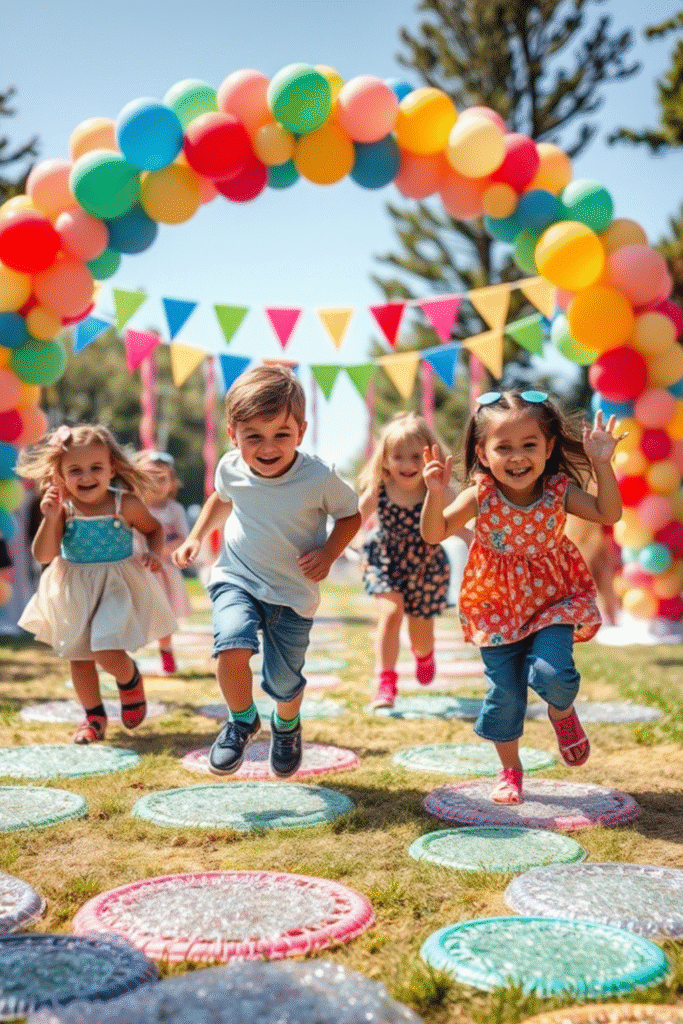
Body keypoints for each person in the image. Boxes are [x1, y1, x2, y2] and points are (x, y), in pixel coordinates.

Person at [421, 390, 624, 804]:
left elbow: (608, 513)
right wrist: (435, 492)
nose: (517, 457)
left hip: (553, 599)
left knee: (553, 676)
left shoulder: (558, 490)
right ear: (483, 452)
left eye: (529, 445)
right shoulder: (481, 494)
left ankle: (562, 713)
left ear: (549, 448)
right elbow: (434, 533)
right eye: (504, 447)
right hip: (496, 606)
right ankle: (510, 770)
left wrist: (602, 464)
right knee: (506, 694)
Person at [173, 364, 361, 779]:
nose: (268, 447)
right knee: (230, 646)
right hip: (236, 577)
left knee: (285, 682)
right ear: (233, 433)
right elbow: (221, 499)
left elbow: (350, 516)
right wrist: (196, 537)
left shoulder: (319, 476)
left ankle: (286, 724)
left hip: (293, 593)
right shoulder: (230, 467)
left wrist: (329, 553)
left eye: (281, 434)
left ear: (302, 430)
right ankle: (240, 720)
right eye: (253, 436)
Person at [16, 424, 177, 744]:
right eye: (75, 470)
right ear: (60, 474)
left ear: (112, 468)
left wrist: (155, 554)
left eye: (95, 468)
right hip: (74, 588)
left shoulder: (125, 503)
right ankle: (94, 718)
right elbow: (44, 554)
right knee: (79, 656)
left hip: (116, 585)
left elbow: (154, 529)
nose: (86, 477)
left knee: (105, 648)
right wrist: (50, 518)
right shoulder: (63, 509)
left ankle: (130, 680)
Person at [357, 412, 452, 709]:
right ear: (384, 460)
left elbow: (462, 522)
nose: (408, 465)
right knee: (390, 611)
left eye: (416, 456)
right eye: (398, 457)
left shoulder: (436, 491)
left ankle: (424, 653)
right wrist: (337, 548)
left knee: (420, 633)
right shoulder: (379, 490)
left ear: (431, 455)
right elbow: (352, 521)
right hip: (385, 559)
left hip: (427, 565)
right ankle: (386, 680)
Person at [135, 450, 191, 674]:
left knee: (164, 615)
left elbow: (182, 537)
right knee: (135, 613)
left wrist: (160, 551)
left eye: (163, 478)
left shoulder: (174, 509)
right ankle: (125, 657)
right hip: (138, 570)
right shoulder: (135, 507)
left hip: (164, 571)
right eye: (151, 477)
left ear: (172, 482)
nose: (157, 483)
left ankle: (166, 653)